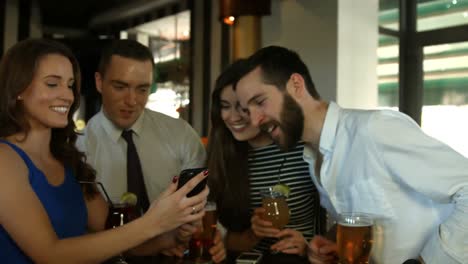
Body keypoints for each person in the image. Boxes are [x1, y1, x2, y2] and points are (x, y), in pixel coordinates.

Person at [234, 46, 468, 264]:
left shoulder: (375, 129)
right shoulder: (312, 156)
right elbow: (367, 217)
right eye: (247, 111)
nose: (254, 120)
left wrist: (427, 261)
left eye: (260, 102)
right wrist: (330, 244)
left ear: (296, 85)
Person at [0, 38, 209, 263]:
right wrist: (155, 221)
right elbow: (49, 253)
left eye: (70, 85)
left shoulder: (68, 160)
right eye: (52, 84)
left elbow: (115, 237)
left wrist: (174, 234)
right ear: (18, 89)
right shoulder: (5, 159)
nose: (68, 96)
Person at [76, 39, 225, 262]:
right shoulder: (80, 148)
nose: (132, 100)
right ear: (99, 82)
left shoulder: (180, 134)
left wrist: (214, 235)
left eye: (142, 89)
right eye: (120, 87)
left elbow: (205, 204)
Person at [207, 60, 324, 259]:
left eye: (243, 108)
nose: (233, 118)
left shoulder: (301, 149)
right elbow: (223, 240)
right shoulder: (221, 154)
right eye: (225, 107)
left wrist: (307, 245)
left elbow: (330, 225)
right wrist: (253, 234)